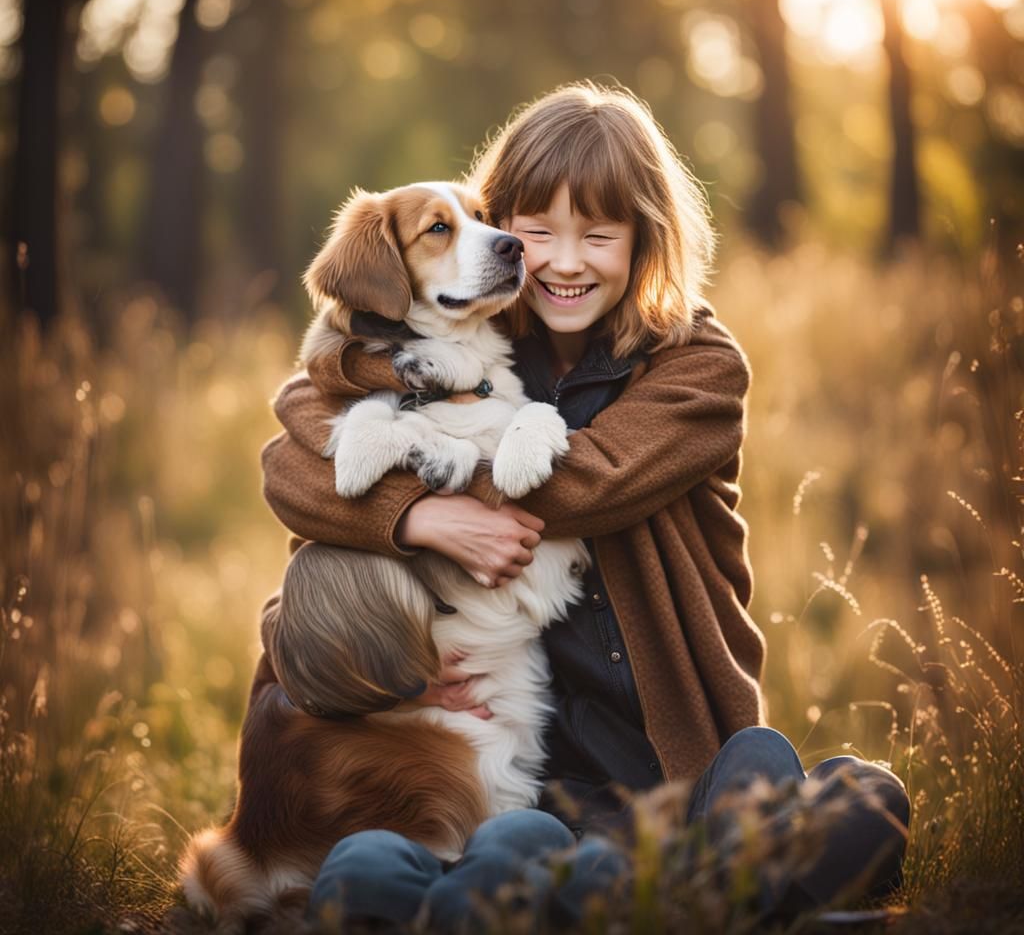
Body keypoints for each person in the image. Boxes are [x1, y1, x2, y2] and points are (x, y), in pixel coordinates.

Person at [254, 81, 910, 931]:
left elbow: (579, 482)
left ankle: (642, 900)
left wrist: (412, 476)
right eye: (537, 233)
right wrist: (416, 517)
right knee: (405, 857)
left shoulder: (698, 368)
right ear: (504, 234)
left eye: (599, 235)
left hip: (667, 774)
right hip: (535, 786)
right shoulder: (477, 337)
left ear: (645, 243)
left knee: (849, 788)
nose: (565, 262)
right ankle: (713, 904)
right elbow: (293, 447)